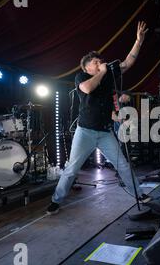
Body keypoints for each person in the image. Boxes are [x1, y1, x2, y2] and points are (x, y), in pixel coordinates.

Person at [47, 21, 149, 215]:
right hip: (85, 131)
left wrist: (139, 40)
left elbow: (128, 62)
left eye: (99, 60)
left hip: (104, 132)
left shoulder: (108, 75)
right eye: (95, 62)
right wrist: (101, 73)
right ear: (87, 68)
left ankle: (139, 194)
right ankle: (56, 200)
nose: (100, 62)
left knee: (123, 166)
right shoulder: (81, 78)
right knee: (72, 169)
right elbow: (88, 89)